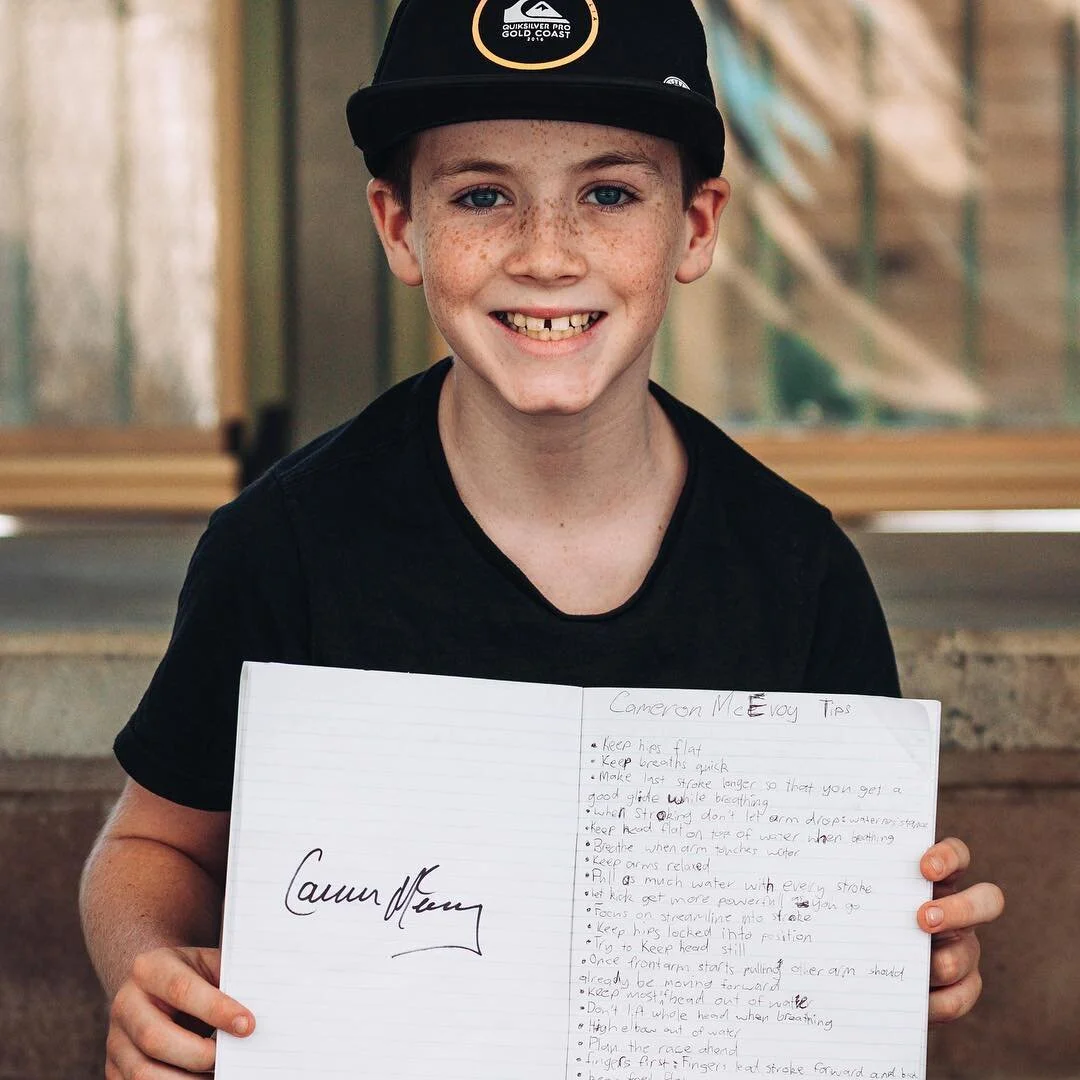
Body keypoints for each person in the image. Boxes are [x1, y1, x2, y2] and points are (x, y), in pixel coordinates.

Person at [79, 0, 1005, 1075]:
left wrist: (907, 952)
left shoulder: (800, 571)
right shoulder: (284, 546)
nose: (546, 255)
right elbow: (150, 845)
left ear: (696, 227)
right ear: (398, 227)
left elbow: (852, 912)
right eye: (482, 196)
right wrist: (147, 971)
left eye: (608, 194)